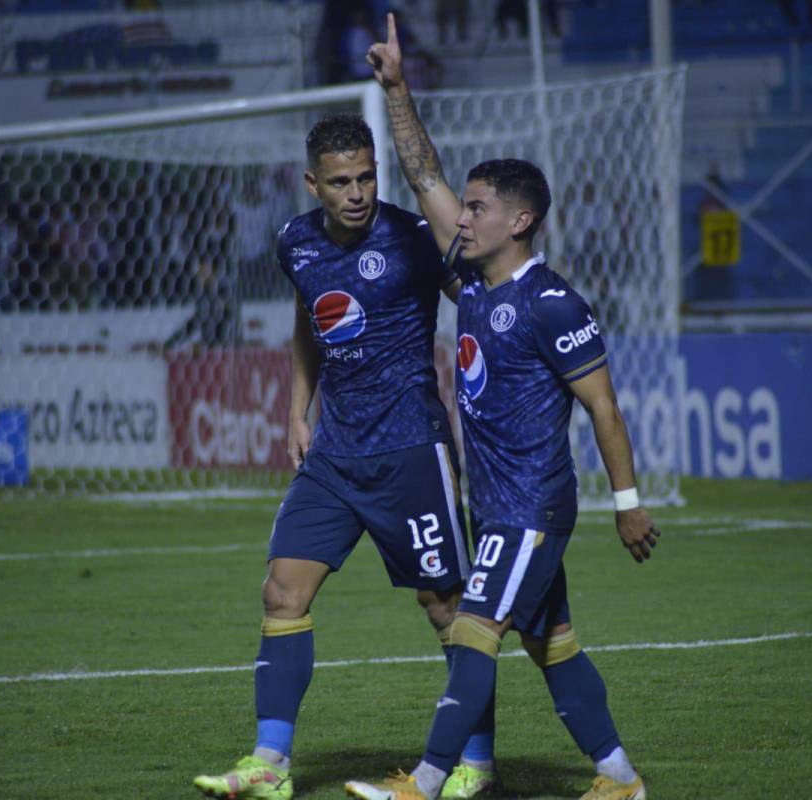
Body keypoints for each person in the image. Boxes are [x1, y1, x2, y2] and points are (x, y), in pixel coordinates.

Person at [345, 15, 657, 800]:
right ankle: (619, 779)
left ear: (518, 221)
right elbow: (423, 178)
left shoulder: (553, 303)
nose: (463, 217)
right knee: (554, 645)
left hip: (531, 507)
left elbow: (605, 410)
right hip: (497, 505)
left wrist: (627, 504)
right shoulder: (476, 286)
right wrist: (397, 91)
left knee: (473, 630)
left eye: (478, 207)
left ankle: (424, 782)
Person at [192, 114, 498, 800]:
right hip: (334, 454)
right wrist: (297, 408)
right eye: (339, 182)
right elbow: (310, 320)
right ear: (312, 184)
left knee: (447, 606)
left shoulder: (414, 237)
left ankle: (475, 764)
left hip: (411, 450)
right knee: (281, 591)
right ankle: (270, 765)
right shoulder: (294, 242)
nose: (356, 192)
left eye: (365, 177)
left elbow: (473, 295)